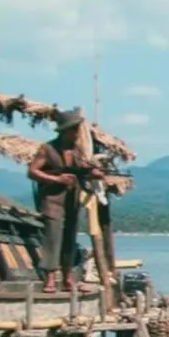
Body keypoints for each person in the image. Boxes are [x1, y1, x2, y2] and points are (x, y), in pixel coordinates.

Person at [26, 109, 103, 293]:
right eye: (74, 129)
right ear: (64, 130)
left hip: (72, 200)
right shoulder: (47, 149)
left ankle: (68, 277)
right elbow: (32, 172)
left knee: (70, 237)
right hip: (52, 199)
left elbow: (83, 170)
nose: (76, 133)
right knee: (53, 236)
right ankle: (51, 278)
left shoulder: (77, 151)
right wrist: (56, 179)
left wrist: (92, 173)